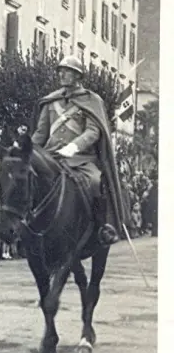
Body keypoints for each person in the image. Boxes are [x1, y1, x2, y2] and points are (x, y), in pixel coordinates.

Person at [31, 55, 124, 246]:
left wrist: (73, 147)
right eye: (60, 71)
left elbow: (93, 131)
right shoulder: (50, 101)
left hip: (81, 159)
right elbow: (41, 133)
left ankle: (102, 228)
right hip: (52, 157)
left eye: (67, 71)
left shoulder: (91, 100)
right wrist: (26, 150)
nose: (62, 74)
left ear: (78, 76)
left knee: (96, 182)